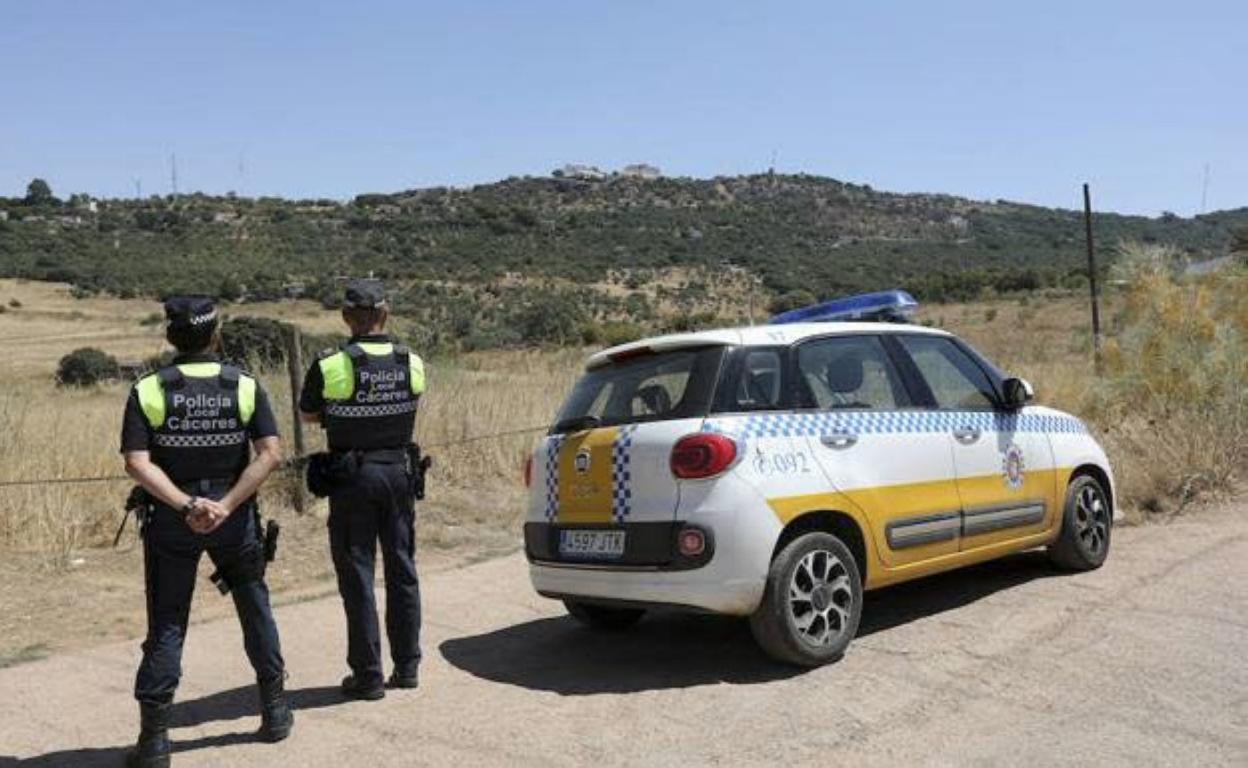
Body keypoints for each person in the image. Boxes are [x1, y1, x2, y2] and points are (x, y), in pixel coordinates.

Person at [120, 296, 292, 767]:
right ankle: (275, 714)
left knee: (168, 624)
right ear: (215, 335)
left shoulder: (149, 389)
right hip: (233, 520)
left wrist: (186, 505)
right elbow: (270, 453)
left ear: (171, 337)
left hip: (172, 522)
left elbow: (138, 464)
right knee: (255, 609)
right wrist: (225, 505)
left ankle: (155, 742)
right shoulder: (243, 386)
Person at [299, 278, 426, 700]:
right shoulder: (413, 361)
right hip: (401, 473)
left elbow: (310, 415)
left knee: (357, 575)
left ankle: (368, 674)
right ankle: (407, 667)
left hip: (353, 478)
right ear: (386, 314)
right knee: (402, 570)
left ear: (347, 317)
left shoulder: (331, 364)